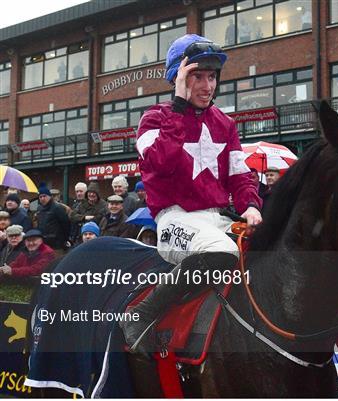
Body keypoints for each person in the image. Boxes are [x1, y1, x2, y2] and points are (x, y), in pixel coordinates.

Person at [122, 33, 262, 353]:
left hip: (219, 220)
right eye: (197, 76)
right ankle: (140, 314)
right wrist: (180, 109)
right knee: (222, 253)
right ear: (178, 78)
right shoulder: (153, 119)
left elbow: (241, 176)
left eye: (212, 76)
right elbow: (160, 162)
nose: (207, 86)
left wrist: (251, 207)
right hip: (175, 221)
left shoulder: (225, 124)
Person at [35, 185, 71, 251]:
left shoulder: (58, 208)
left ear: (50, 196)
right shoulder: (39, 209)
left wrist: (64, 239)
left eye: (44, 196)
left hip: (56, 244)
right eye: (40, 197)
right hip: (43, 243)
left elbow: (66, 224)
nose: (42, 198)